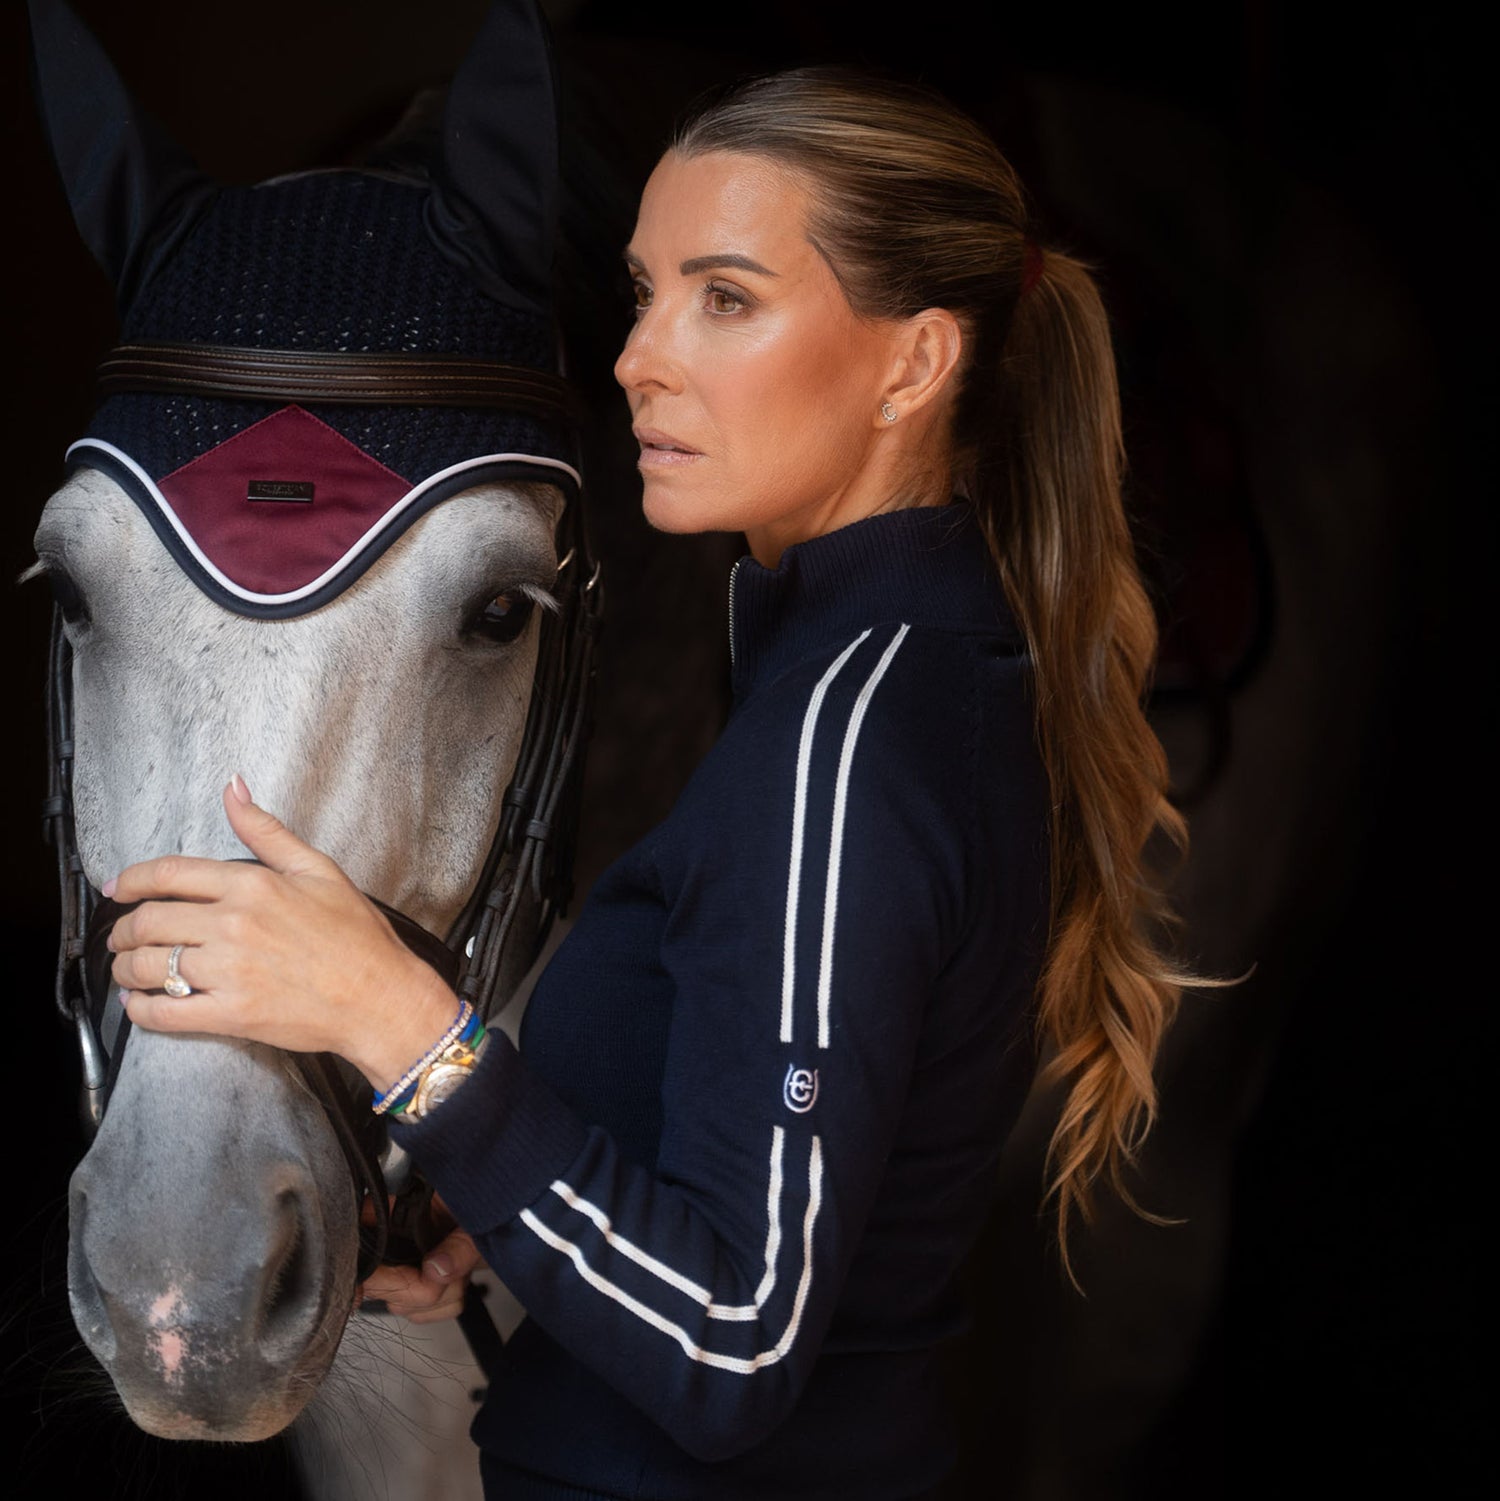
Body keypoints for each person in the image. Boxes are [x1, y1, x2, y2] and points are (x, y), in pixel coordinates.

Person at [105, 65, 1193, 1501]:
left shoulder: (845, 741)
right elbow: (777, 1199)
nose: (635, 359)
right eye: (643, 292)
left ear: (913, 365)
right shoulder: (881, 672)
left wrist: (394, 1021)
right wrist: (511, 1217)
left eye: (724, 298)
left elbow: (734, 1344)